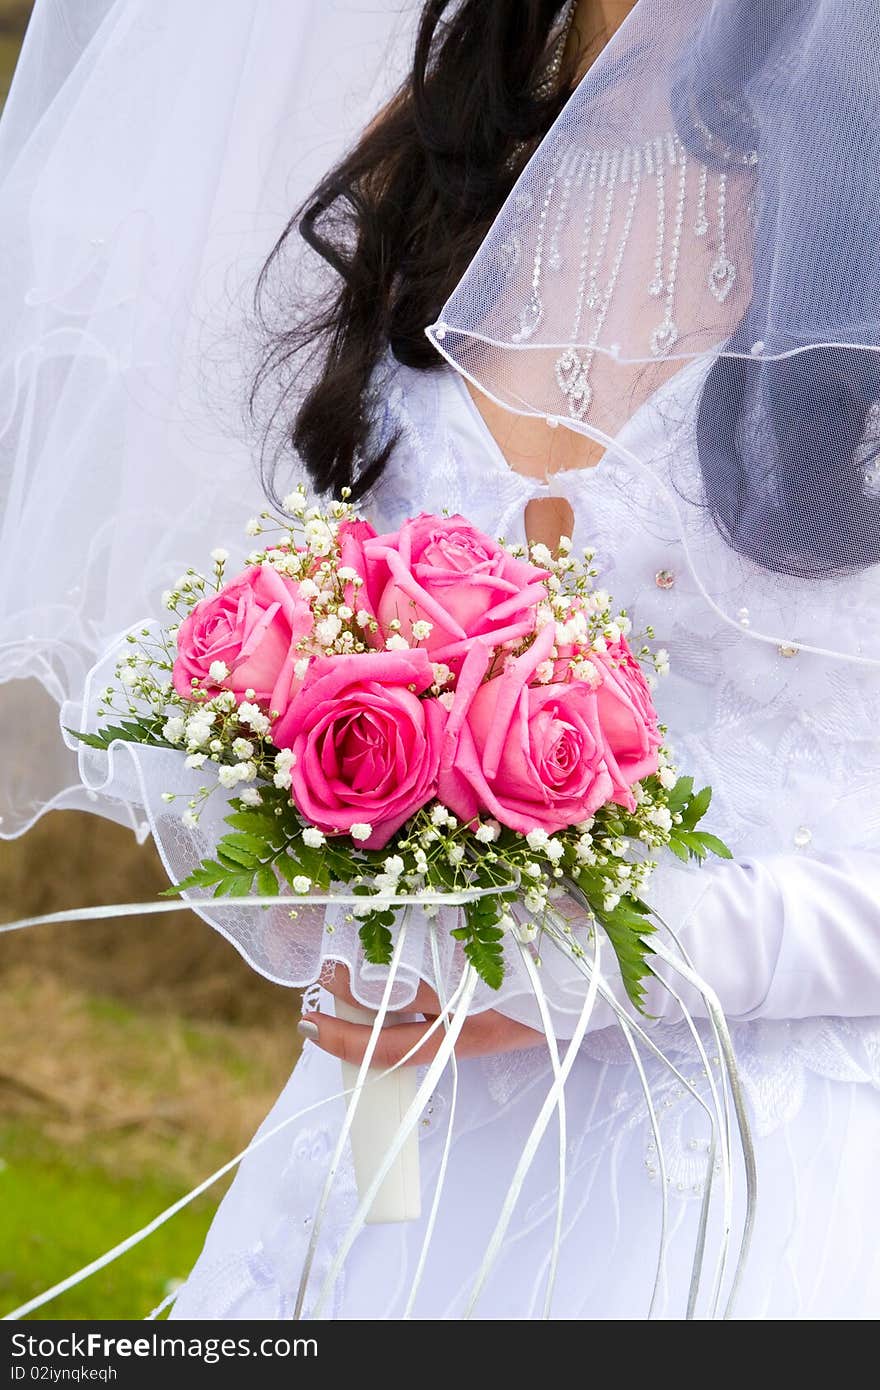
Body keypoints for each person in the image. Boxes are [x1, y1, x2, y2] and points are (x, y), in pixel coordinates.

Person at [167, 0, 880, 1319]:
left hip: (755, 1179)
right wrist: (317, 828)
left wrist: (617, 955)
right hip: (390, 1141)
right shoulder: (438, 156)